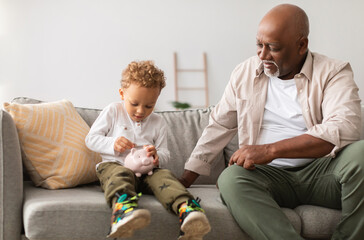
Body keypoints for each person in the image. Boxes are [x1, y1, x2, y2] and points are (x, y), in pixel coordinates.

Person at [178, 4, 363, 240]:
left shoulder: (334, 72)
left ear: (301, 45)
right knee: (230, 178)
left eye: (273, 48)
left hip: (322, 174)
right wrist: (185, 178)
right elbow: (220, 125)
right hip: (267, 176)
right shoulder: (244, 73)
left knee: (362, 154)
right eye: (259, 45)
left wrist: (270, 150)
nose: (263, 55)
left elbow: (344, 128)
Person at [85, 60, 211, 239]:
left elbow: (166, 152)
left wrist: (157, 156)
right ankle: (123, 213)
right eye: (134, 103)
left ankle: (188, 211)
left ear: (156, 101)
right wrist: (112, 143)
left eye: (149, 106)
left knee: (165, 177)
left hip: (147, 172)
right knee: (119, 175)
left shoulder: (158, 122)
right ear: (122, 94)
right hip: (115, 165)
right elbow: (90, 139)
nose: (140, 111)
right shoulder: (113, 111)